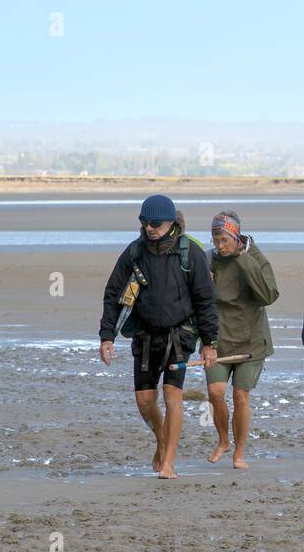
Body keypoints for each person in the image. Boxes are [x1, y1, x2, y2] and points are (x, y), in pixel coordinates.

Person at [98, 195, 219, 479]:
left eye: (155, 223)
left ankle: (169, 462)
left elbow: (206, 301)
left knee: (172, 394)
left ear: (169, 223)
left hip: (181, 335)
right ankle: (161, 439)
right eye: (144, 222)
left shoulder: (190, 253)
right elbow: (113, 294)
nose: (149, 228)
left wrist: (209, 343)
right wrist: (107, 336)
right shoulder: (134, 252)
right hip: (144, 335)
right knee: (145, 401)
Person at [204, 210, 280, 468]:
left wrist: (242, 259)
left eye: (224, 240)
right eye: (215, 241)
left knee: (240, 396)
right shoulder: (209, 259)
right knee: (215, 392)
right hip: (218, 339)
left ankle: (239, 453)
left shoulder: (256, 258)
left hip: (251, 342)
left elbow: (268, 296)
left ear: (236, 237)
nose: (219, 246)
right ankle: (223, 440)